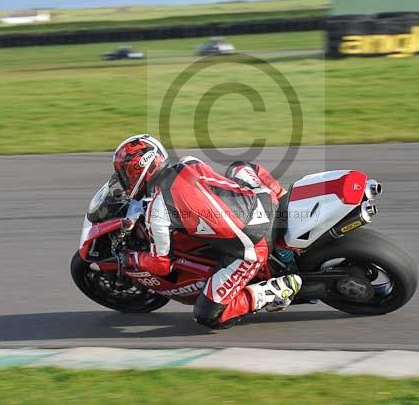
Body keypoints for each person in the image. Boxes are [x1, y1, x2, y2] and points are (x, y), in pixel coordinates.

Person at [113, 134, 302, 329]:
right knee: (240, 167)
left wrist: (131, 259)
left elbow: (161, 265)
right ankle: (285, 199)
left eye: (124, 174)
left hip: (253, 246)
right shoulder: (189, 162)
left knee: (208, 315)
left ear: (139, 169)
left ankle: (279, 289)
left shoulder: (157, 211)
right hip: (265, 200)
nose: (124, 180)